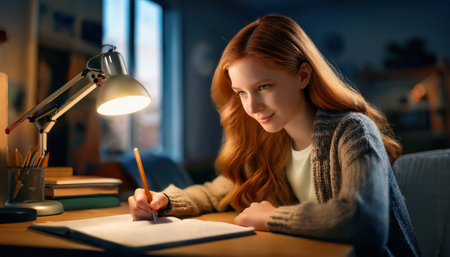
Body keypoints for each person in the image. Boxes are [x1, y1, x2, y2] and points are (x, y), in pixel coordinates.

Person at [128, 14, 420, 257]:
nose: (252, 107)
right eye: (241, 93)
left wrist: (271, 217)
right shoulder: (270, 139)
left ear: (303, 76)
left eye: (264, 87)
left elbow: (364, 222)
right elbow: (218, 190)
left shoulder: (353, 130)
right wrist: (163, 200)